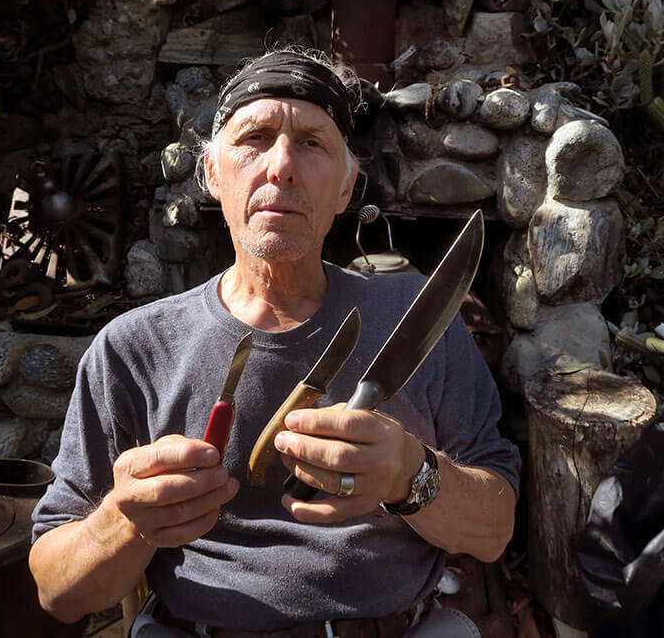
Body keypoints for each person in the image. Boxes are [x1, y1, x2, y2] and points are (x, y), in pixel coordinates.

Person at [28, 47, 520, 637]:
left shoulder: (421, 317)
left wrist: (412, 476)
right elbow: (58, 592)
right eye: (255, 138)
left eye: (312, 143)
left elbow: (494, 532)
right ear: (212, 173)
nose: (281, 165)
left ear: (346, 188)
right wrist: (125, 521)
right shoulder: (132, 349)